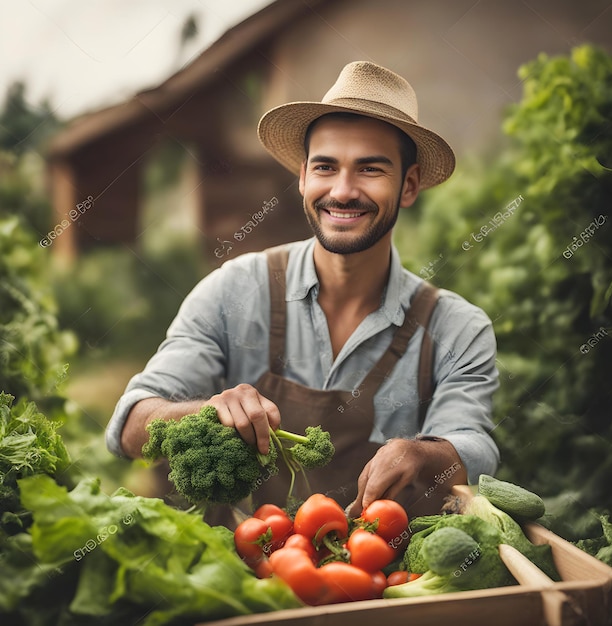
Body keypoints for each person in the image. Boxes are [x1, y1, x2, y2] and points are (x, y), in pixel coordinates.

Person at [105, 61, 500, 525]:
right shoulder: (233, 290)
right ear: (302, 178)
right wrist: (202, 412)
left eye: (370, 169)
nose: (344, 190)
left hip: (377, 585)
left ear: (408, 185)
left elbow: (475, 446)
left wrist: (424, 454)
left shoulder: (458, 328)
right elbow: (131, 426)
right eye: (325, 167)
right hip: (231, 579)